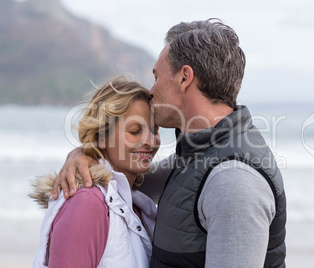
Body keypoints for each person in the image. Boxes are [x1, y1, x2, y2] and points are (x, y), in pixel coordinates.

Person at [53, 19, 287, 267]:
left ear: (184, 77)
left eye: (157, 76)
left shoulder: (232, 180)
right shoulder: (197, 156)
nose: (151, 90)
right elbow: (127, 181)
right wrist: (85, 154)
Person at [30, 76, 160, 267]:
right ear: (101, 137)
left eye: (155, 130)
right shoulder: (88, 201)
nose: (150, 141)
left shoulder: (134, 204)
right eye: (134, 131)